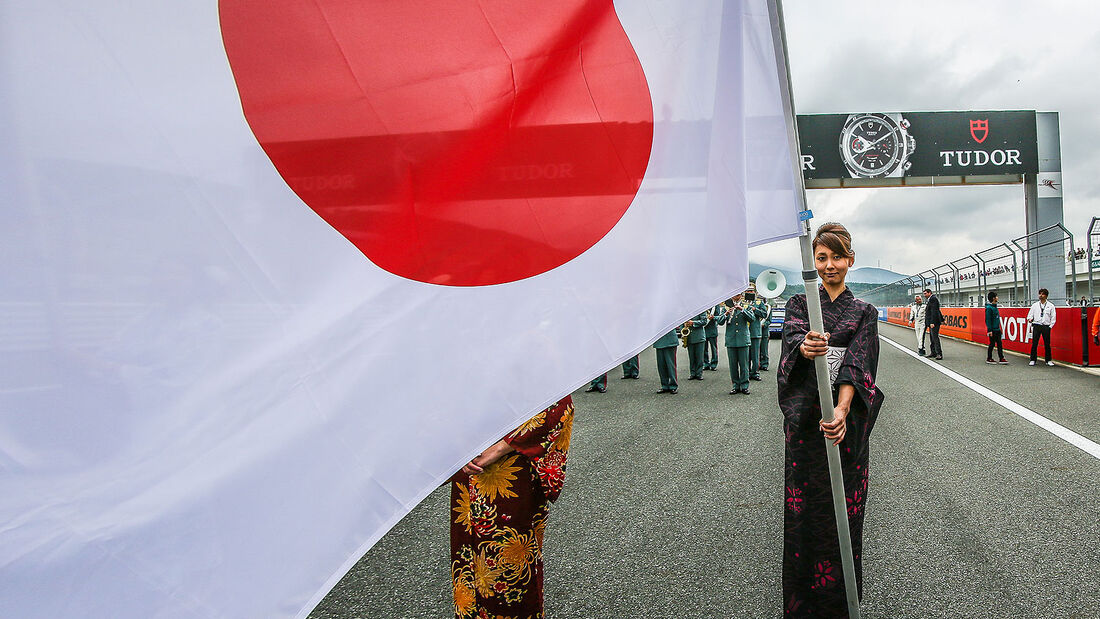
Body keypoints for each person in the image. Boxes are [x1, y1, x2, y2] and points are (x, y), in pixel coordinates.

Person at [777, 222, 884, 616]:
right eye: (821, 257)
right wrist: (803, 347)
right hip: (806, 429)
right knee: (804, 511)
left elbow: (858, 366)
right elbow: (791, 345)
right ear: (813, 261)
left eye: (836, 257)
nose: (829, 265)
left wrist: (841, 411)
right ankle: (802, 603)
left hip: (844, 429)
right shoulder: (800, 304)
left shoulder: (864, 313)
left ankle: (843, 602)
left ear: (850, 260)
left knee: (845, 512)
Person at [450, 397, 574, 619]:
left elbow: (556, 404)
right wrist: (454, 449)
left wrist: (499, 448)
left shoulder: (534, 362)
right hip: (467, 467)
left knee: (509, 563)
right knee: (466, 557)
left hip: (511, 468)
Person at [717, 295, 753, 395]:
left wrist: (742, 309)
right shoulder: (726, 307)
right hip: (731, 340)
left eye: (737, 294)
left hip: (743, 339)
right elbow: (719, 322)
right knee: (733, 365)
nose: (735, 296)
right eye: (734, 294)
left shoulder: (746, 306)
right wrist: (726, 314)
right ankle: (735, 385)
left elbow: (752, 318)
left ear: (741, 295)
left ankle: (745, 386)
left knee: (744, 365)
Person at [1026, 288, 1056, 366]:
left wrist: (1050, 326)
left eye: (1042, 294)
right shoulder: (1035, 305)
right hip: (1037, 325)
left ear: (1046, 296)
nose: (1041, 295)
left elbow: (1053, 317)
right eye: (1040, 294)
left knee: (1047, 344)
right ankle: (1033, 359)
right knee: (1034, 343)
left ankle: (1048, 360)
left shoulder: (1051, 306)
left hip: (1046, 326)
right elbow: (1029, 315)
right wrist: (1030, 319)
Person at [746, 284, 765, 381]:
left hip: (755, 332)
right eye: (748, 291)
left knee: (755, 355)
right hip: (744, 333)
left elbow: (764, 314)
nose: (749, 292)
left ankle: (755, 373)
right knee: (746, 355)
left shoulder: (759, 302)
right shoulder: (743, 303)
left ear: (755, 292)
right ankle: (747, 372)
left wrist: (755, 309)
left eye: (751, 291)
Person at [653, 329, 679, 394]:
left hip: (670, 340)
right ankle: (664, 385)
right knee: (661, 366)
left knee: (671, 365)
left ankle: (673, 386)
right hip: (659, 340)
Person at [985, 291, 1008, 365]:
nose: (997, 298)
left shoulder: (995, 307)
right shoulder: (989, 308)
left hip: (997, 329)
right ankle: (989, 358)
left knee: (999, 344)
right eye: (996, 296)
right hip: (993, 330)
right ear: (993, 298)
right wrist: (990, 330)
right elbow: (988, 320)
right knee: (992, 344)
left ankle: (1001, 358)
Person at [685, 312, 708, 380]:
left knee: (699, 357)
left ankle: (699, 373)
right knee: (691, 357)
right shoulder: (685, 310)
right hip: (689, 337)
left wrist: (693, 323)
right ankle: (692, 373)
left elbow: (704, 321)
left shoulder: (700, 309)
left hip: (699, 337)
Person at [923, 288, 943, 360]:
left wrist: (932, 322)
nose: (924, 295)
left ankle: (939, 353)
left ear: (929, 293)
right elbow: (936, 310)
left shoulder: (933, 299)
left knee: (935, 337)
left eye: (925, 293)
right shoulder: (931, 299)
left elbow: (934, 311)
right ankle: (933, 352)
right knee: (932, 337)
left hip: (934, 322)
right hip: (932, 321)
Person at [703, 306, 720, 371]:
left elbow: (718, 317)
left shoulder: (715, 305)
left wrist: (713, 317)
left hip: (712, 329)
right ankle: (705, 364)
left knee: (714, 348)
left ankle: (714, 364)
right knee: (704, 349)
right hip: (704, 329)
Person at [758, 297, 773, 371]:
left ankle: (764, 364)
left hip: (764, 331)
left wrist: (764, 325)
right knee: (756, 349)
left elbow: (769, 320)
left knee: (764, 349)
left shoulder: (768, 308)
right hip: (756, 331)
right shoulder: (756, 306)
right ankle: (757, 364)